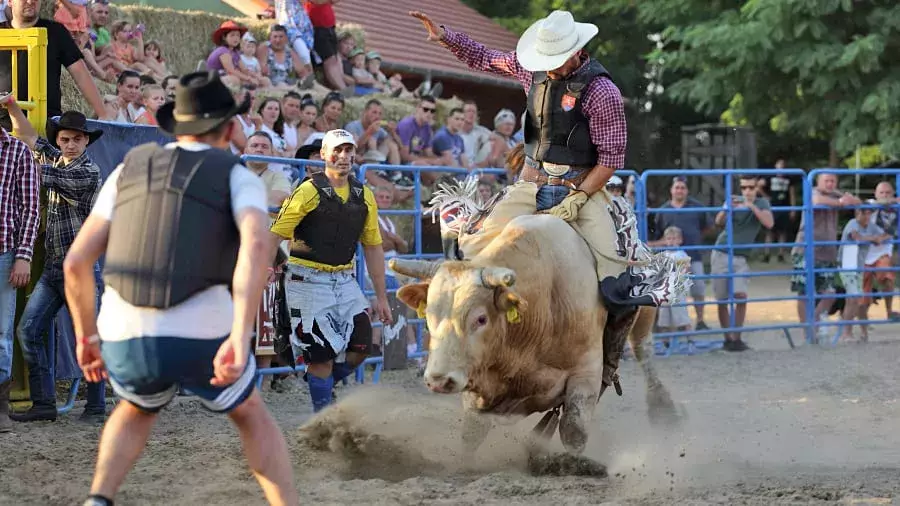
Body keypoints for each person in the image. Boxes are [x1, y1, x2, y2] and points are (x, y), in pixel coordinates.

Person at [61, 71, 298, 506]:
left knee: (133, 408)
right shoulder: (235, 173)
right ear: (230, 128)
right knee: (251, 414)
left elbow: (76, 262)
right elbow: (257, 245)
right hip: (202, 329)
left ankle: (98, 499)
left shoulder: (127, 170)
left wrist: (87, 336)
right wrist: (240, 337)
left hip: (124, 330)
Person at [410, 9, 684, 306]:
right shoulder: (530, 68)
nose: (550, 68)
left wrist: (578, 197)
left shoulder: (602, 91)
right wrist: (445, 37)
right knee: (469, 245)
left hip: (582, 187)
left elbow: (611, 158)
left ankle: (611, 341)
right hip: (531, 183)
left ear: (577, 51)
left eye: (556, 60)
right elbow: (485, 57)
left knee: (614, 276)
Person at [270, 128, 392, 413]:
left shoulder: (364, 195)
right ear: (324, 154)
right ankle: (323, 416)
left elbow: (373, 246)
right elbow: (276, 233)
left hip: (343, 278)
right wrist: (267, 264)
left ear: (355, 155)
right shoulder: (309, 190)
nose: (343, 156)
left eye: (349, 150)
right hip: (306, 279)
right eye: (337, 150)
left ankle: (322, 385)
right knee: (320, 356)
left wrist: (382, 297)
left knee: (362, 345)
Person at [3, 99, 108, 423]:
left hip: (80, 270)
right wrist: (11, 107)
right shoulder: (59, 161)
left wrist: (16, 153)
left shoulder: (87, 173)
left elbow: (32, 167)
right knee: (29, 331)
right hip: (55, 268)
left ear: (86, 141)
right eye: (65, 139)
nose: (71, 144)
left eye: (77, 139)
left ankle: (95, 405)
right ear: (60, 141)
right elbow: (30, 137)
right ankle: (46, 403)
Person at [0, 0, 109, 131]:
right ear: (10, 2)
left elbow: (80, 74)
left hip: (47, 124)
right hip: (4, 125)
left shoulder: (56, 32)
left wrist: (103, 114)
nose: (30, 2)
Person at [0, 100, 40, 433]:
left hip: (4, 251)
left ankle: (0, 405)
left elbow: (30, 209)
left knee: (1, 331)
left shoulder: (18, 151)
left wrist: (24, 255)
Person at [711, 175, 773, 351]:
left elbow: (769, 223)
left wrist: (751, 206)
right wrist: (726, 208)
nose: (747, 191)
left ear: (756, 188)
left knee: (741, 296)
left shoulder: (762, 203)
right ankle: (728, 339)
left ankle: (737, 337)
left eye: (751, 188)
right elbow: (718, 222)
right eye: (744, 188)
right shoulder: (733, 201)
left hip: (741, 257)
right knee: (721, 300)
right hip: (722, 251)